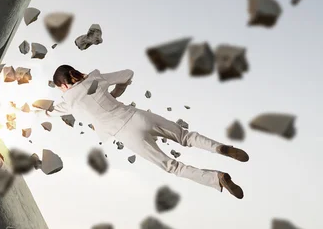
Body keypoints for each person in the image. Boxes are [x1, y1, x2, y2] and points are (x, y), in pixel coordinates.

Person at [33, 64, 248, 199]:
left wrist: (33, 112)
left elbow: (48, 113)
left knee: (172, 166)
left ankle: (217, 179)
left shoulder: (67, 102)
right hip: (138, 116)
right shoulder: (94, 79)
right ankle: (219, 148)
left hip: (126, 134)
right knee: (184, 136)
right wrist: (117, 92)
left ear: (62, 85)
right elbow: (128, 73)